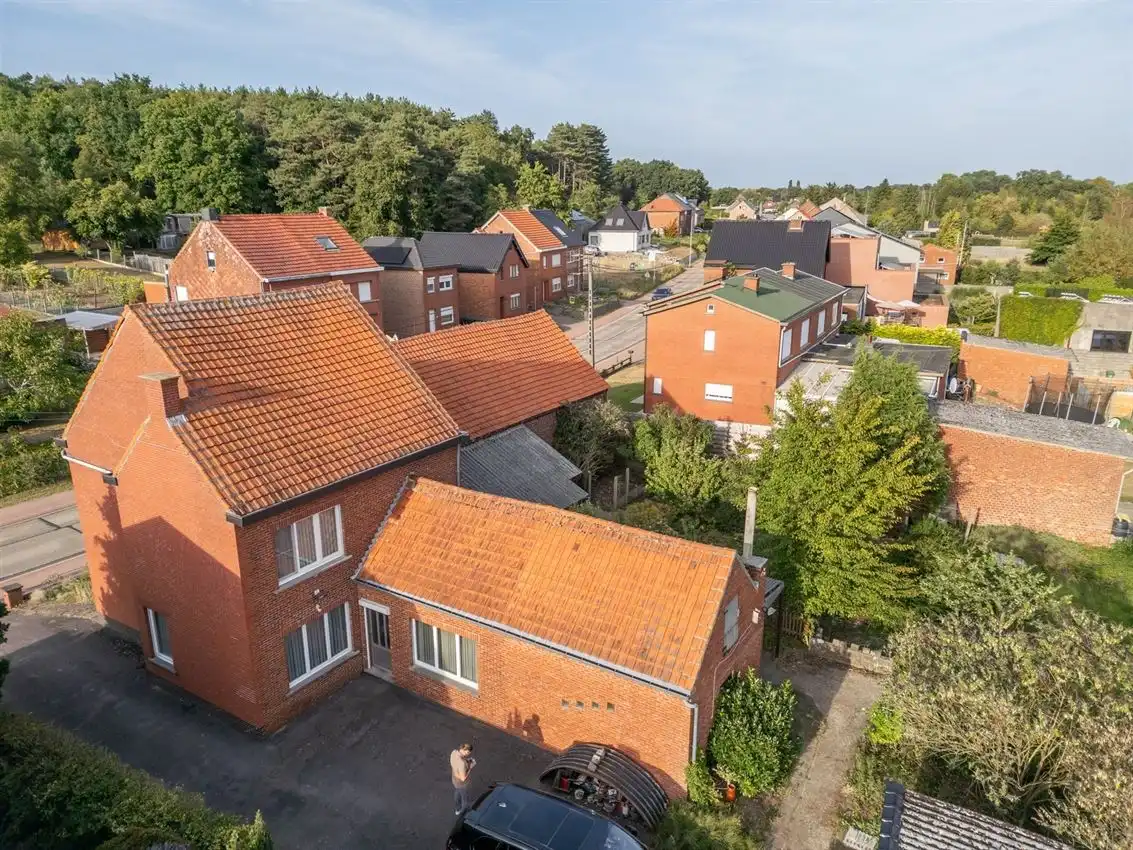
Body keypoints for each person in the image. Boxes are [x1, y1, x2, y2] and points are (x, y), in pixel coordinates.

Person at [451, 743, 475, 816]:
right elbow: (463, 778)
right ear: (464, 750)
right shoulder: (462, 764)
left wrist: (467, 760)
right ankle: (465, 812)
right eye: (468, 752)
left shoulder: (454, 752)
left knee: (457, 792)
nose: (468, 754)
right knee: (465, 799)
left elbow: (457, 763)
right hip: (462, 784)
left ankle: (457, 809)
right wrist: (471, 767)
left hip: (455, 780)